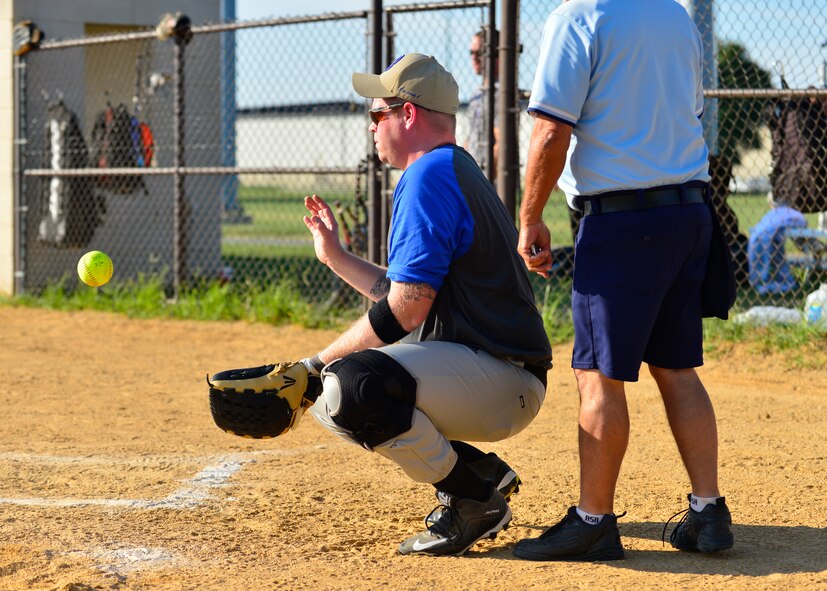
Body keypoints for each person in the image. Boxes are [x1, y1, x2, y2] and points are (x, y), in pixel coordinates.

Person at [214, 53, 552, 557]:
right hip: (491, 372)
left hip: (500, 377)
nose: (371, 126)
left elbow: (407, 311)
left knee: (350, 389)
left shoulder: (429, 176)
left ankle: (472, 498)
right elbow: (404, 295)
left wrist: (311, 366)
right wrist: (336, 257)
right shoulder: (448, 168)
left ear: (408, 113)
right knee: (335, 394)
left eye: (377, 114)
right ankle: (478, 471)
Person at [512, 0, 734, 561]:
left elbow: (549, 130)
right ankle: (708, 513)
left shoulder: (579, 16)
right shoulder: (675, 15)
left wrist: (530, 215)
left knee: (597, 377)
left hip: (621, 221)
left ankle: (593, 521)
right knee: (677, 370)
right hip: (689, 211)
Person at [465, 29, 499, 179]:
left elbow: (500, 144)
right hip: (474, 177)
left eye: (479, 53)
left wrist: (484, 183)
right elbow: (471, 137)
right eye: (471, 53)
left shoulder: (501, 93)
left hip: (491, 182)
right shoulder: (477, 93)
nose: (474, 58)